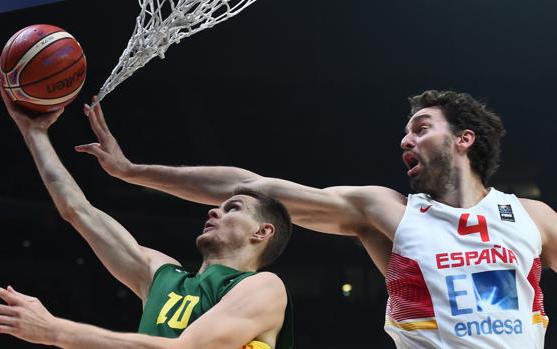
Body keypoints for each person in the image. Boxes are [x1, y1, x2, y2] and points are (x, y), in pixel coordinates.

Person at [75, 91, 556, 348]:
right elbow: (251, 184)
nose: (406, 140)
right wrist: (132, 172)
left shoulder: (532, 217)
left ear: (464, 139)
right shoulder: (388, 210)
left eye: (421, 128)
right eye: (404, 133)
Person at [0, 87, 293, 349]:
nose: (213, 210)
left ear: (263, 231)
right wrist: (34, 132)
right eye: (220, 206)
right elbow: (77, 210)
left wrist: (56, 331)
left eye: (232, 208)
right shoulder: (162, 276)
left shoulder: (264, 287)